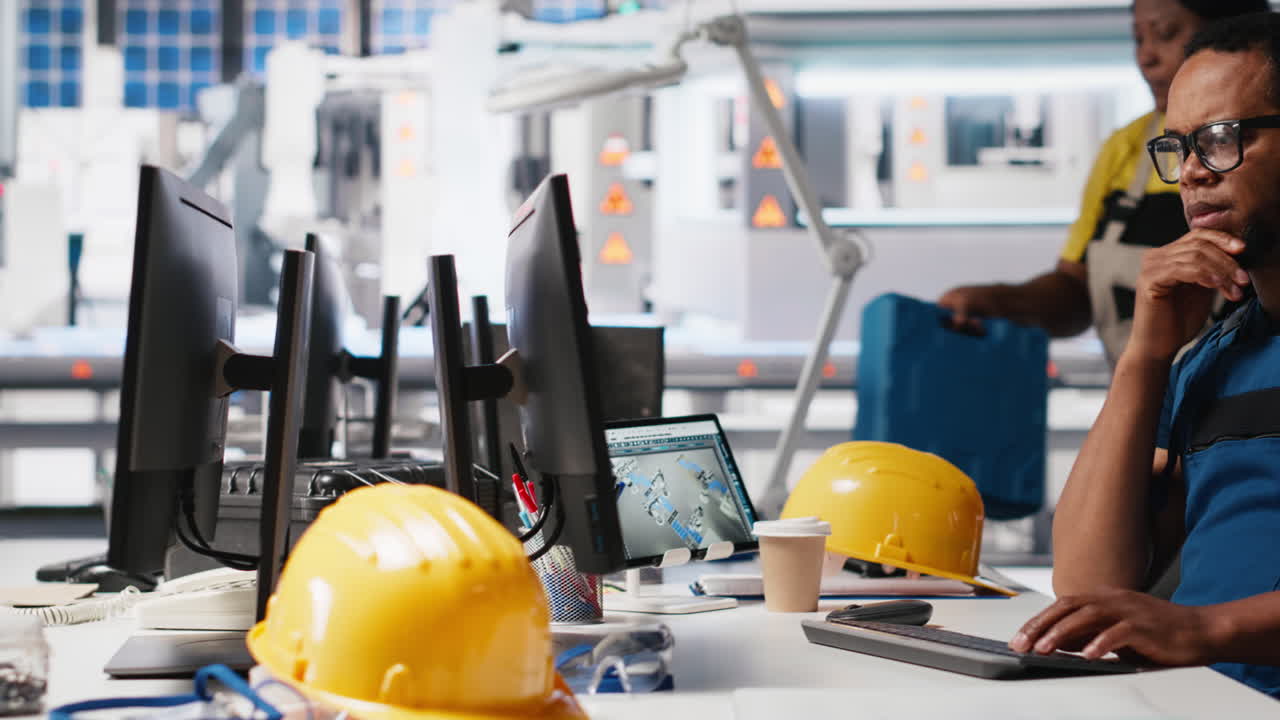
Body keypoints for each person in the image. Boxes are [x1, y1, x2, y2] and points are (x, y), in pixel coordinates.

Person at [1011, 13, 1280, 698]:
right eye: (1179, 145)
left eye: (1219, 139)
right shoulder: (1215, 356)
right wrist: (1147, 356)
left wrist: (1204, 630)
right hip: (1196, 702)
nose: (1188, 172)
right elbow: (1088, 585)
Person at [938, 0, 1269, 366]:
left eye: (1165, 35)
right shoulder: (1123, 150)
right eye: (1138, 38)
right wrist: (998, 303)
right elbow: (1078, 289)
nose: (1146, 56)